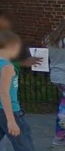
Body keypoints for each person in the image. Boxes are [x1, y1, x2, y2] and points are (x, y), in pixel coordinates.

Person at [44, 19, 65, 147]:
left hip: (56, 76)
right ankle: (59, 135)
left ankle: (60, 135)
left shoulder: (50, 40)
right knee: (63, 108)